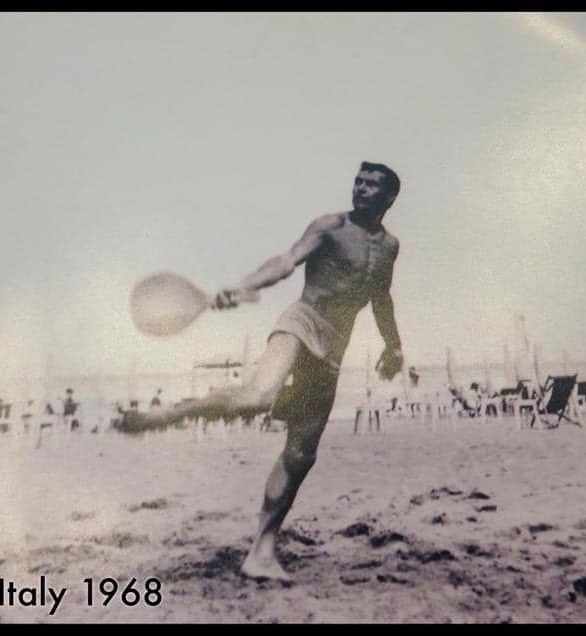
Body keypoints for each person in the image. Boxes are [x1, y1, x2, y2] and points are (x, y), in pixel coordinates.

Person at [136, 162, 405, 581]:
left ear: (389, 198)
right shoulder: (330, 226)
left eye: (372, 185)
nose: (361, 189)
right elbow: (286, 260)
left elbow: (381, 296)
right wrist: (246, 285)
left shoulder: (389, 247)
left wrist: (394, 344)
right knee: (257, 396)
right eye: (358, 181)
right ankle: (167, 414)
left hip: (335, 347)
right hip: (302, 320)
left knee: (301, 454)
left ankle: (261, 552)